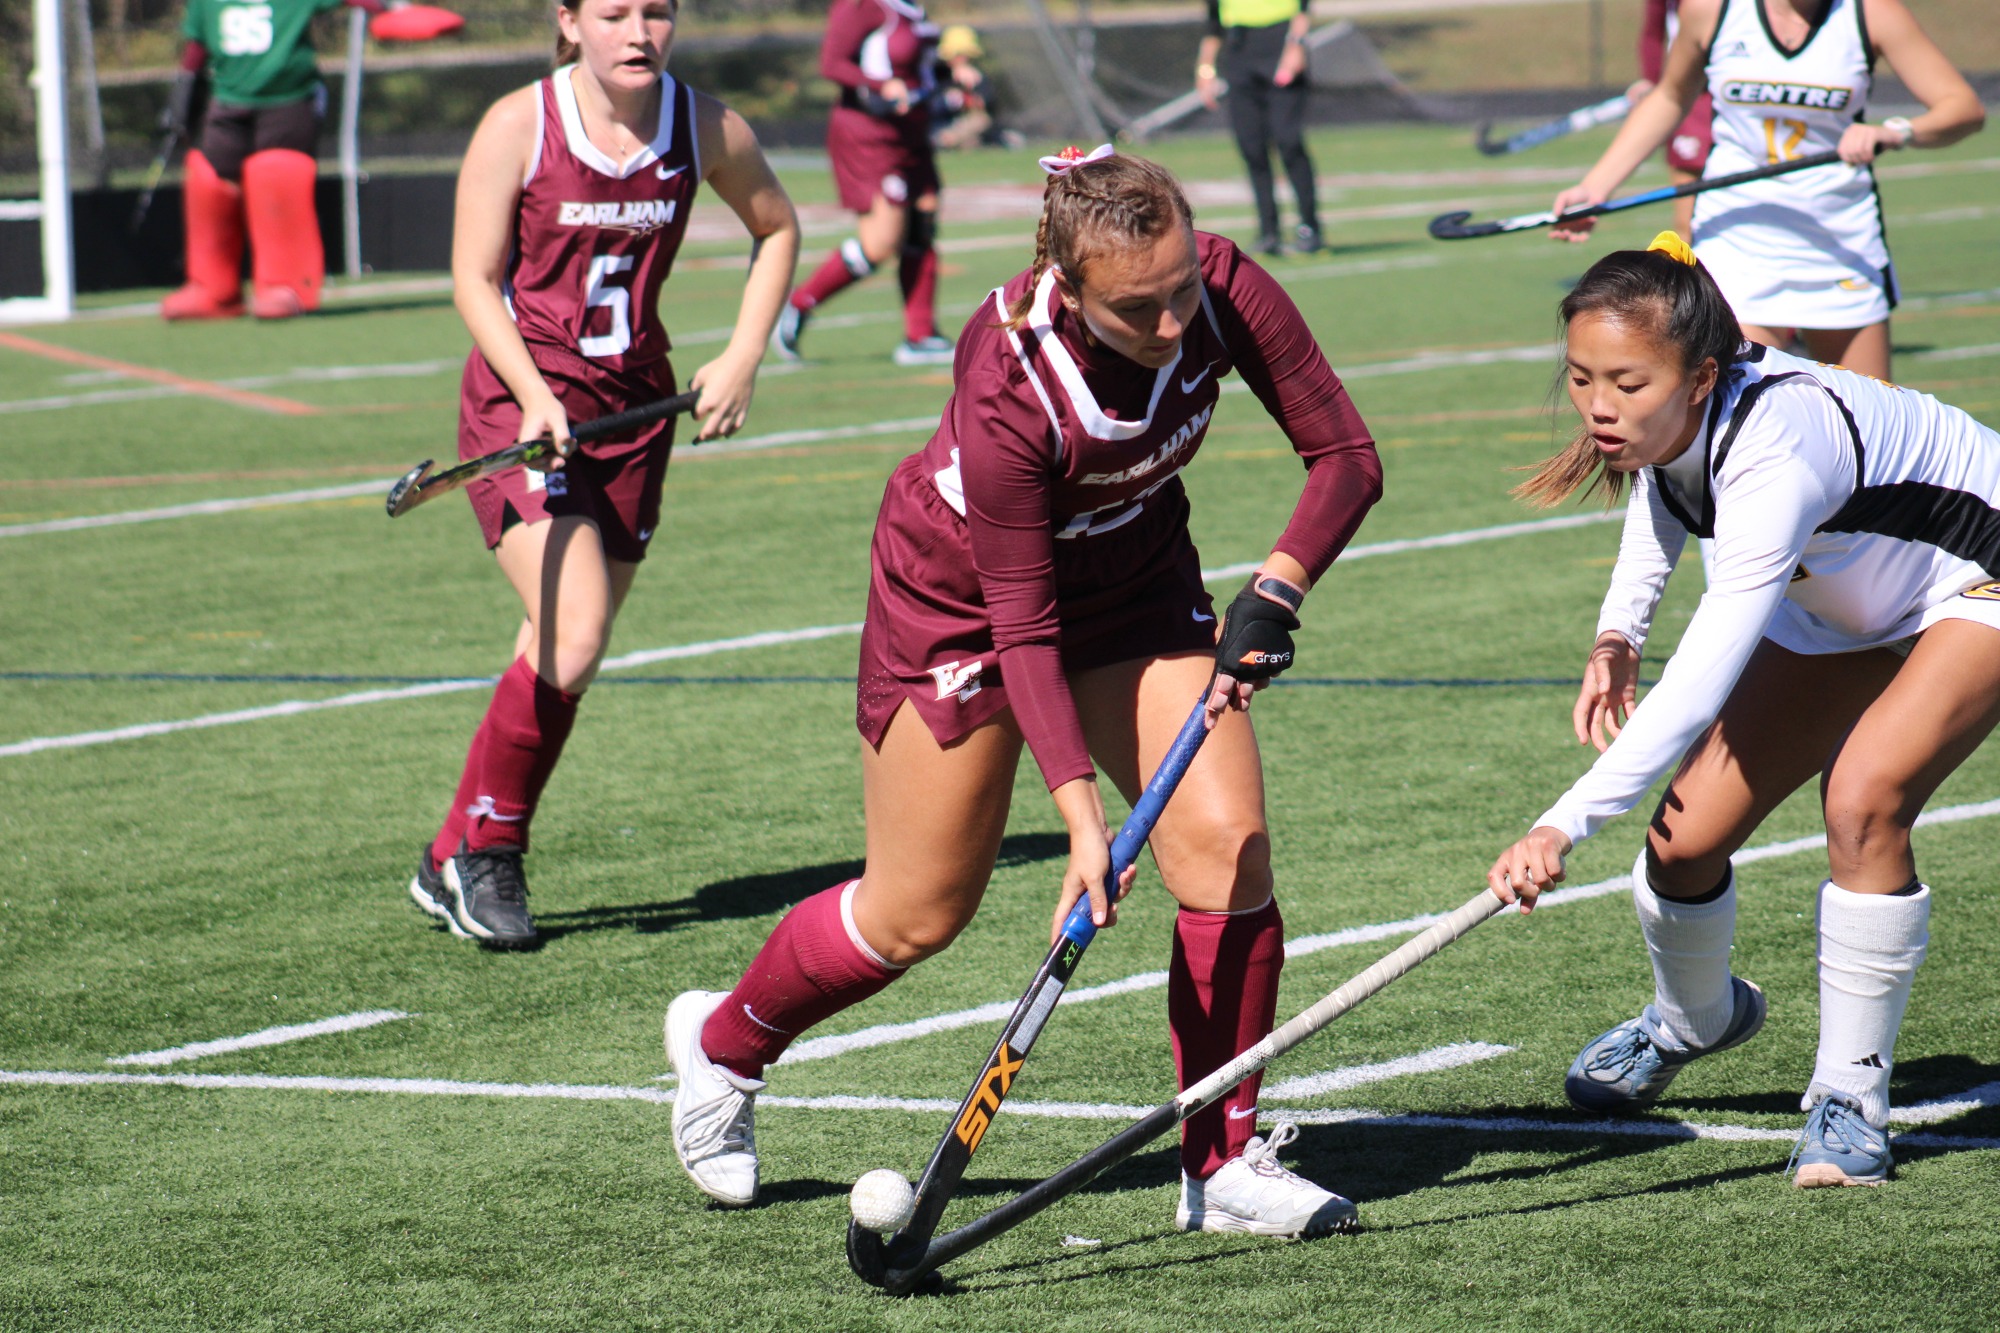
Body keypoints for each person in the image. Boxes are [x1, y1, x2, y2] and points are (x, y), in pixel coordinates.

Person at [666, 147, 1384, 1232]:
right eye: (1137, 308)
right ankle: (725, 1044)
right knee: (916, 912)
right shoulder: (1008, 379)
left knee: (1226, 847)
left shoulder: (1222, 287)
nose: (1172, 323)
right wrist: (1080, 821)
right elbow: (1023, 619)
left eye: (1181, 288)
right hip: (960, 600)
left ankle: (1222, 1165)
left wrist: (1273, 591)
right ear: (1064, 282)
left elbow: (1344, 456)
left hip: (1135, 584)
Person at [1488, 233, 2000, 1188]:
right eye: (1581, 378)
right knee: (1684, 846)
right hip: (1847, 602)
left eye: (1627, 384)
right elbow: (1667, 497)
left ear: (1701, 375)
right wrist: (1618, 634)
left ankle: (1852, 1096)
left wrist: (1563, 822)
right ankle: (1694, 1018)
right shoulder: (1675, 418)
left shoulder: (1778, 444)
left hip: (1976, 578)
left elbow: (1705, 676)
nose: (1600, 406)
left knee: (1864, 798)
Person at [407, 0, 799, 948]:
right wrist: (535, 394)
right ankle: (490, 849)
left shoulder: (703, 125)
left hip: (634, 416)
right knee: (573, 636)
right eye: (613, 13)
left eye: (656, 13)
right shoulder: (520, 124)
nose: (637, 33)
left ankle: (450, 849)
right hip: (523, 409)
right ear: (569, 21)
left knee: (559, 644)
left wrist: (744, 352)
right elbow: (472, 276)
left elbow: (776, 228)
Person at [1549, 0, 1984, 381]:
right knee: (1742, 413)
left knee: (1872, 426)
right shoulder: (1710, 10)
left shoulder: (1871, 13)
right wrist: (1596, 186)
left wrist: (1898, 130)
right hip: (1739, 239)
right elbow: (1670, 97)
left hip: (1838, 238)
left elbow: (1963, 108)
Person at [771, 0, 953, 366]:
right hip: (871, 134)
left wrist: (948, 79)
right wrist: (881, 86)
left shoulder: (911, 7)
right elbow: (833, 63)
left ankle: (920, 335)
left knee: (923, 223)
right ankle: (798, 305)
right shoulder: (862, 5)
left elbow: (919, 64)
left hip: (911, 134)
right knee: (881, 241)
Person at [161, 0, 358, 320]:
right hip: (228, 99)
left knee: (276, 175)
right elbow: (197, 45)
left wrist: (392, 12)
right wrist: (183, 94)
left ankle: (286, 285)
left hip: (288, 100)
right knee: (210, 182)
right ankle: (213, 287)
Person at [1195, 0, 1324, 257]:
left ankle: (1309, 227)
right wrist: (1205, 69)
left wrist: (1296, 46)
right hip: (1239, 53)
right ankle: (1269, 231)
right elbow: (1213, 25)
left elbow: (1302, 9)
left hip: (1280, 45)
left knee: (1288, 141)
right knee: (1251, 146)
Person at [1631, 0, 1715, 241]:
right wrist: (1651, 80)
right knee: (1685, 222)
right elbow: (1652, 33)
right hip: (1688, 99)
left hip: (1731, 97)